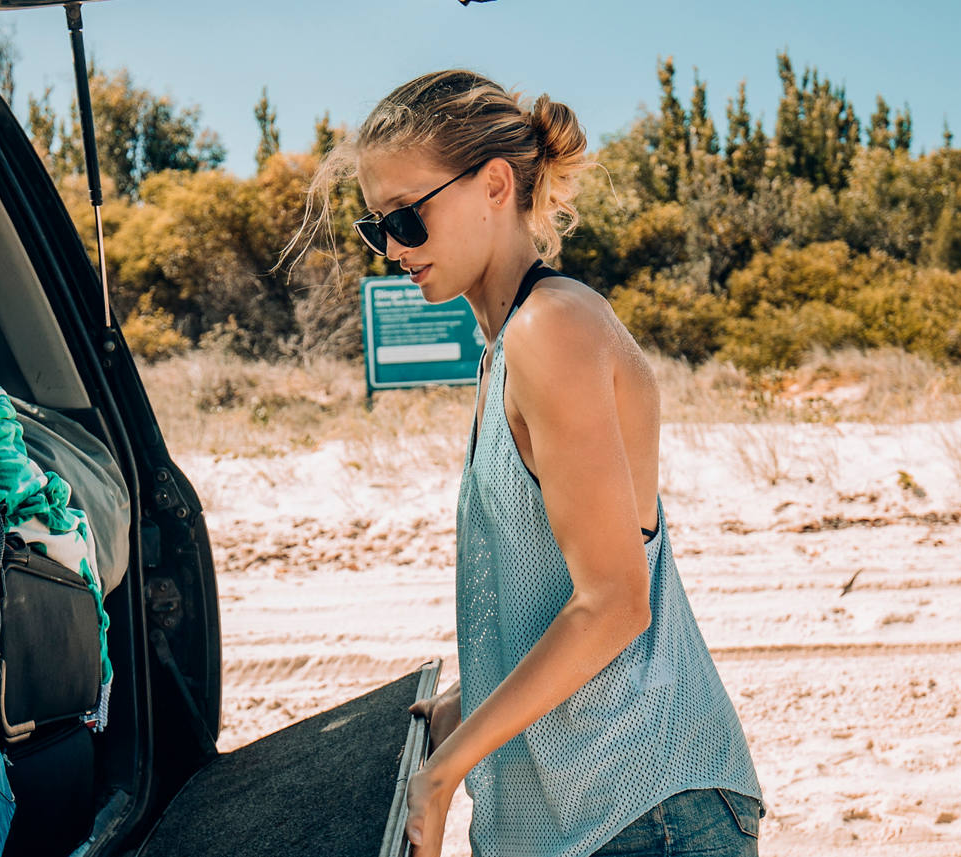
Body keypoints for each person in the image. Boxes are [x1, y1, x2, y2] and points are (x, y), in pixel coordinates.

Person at [286, 70, 763, 857]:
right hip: (584, 818)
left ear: (495, 186)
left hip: (640, 813)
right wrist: (464, 703)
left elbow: (615, 604)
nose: (395, 250)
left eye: (408, 217)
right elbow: (550, 592)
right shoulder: (508, 343)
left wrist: (442, 776)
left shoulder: (552, 329)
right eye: (379, 230)